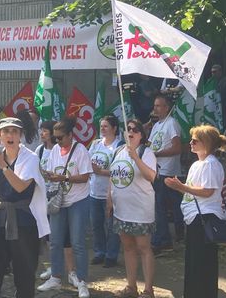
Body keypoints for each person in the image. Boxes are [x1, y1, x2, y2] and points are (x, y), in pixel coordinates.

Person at [0, 117, 50, 298]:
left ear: (20, 135)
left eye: (14, 132)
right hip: (0, 221)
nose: (10, 135)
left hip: (24, 222)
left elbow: (20, 187)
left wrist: (3, 165)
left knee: (24, 278)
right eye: (6, 131)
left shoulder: (30, 157)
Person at [165, 125, 226, 298]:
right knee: (194, 261)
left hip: (205, 216)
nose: (191, 143)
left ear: (206, 143)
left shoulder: (210, 164)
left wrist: (181, 186)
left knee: (202, 262)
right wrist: (178, 187)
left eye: (195, 140)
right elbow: (192, 190)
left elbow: (207, 191)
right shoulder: (197, 164)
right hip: (194, 216)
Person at [38, 118, 92, 297]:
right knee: (55, 241)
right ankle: (55, 277)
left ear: (71, 135)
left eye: (61, 138)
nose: (57, 141)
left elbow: (85, 177)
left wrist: (64, 179)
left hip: (78, 201)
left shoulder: (81, 150)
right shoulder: (54, 150)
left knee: (77, 243)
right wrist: (49, 175)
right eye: (56, 138)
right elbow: (54, 172)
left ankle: (82, 281)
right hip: (59, 201)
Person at [108, 119, 157, 298]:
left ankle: (148, 290)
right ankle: (131, 286)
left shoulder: (146, 152)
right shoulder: (119, 151)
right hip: (122, 208)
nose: (130, 132)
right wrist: (109, 198)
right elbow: (112, 176)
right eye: (127, 129)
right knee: (128, 247)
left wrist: (136, 157)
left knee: (143, 247)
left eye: (135, 130)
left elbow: (152, 176)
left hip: (141, 208)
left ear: (141, 135)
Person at [146, 94, 184, 252]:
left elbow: (177, 148)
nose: (155, 108)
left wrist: (158, 154)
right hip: (157, 170)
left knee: (160, 207)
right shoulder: (156, 125)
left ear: (166, 107)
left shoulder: (171, 123)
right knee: (166, 206)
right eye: (154, 105)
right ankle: (172, 235)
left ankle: (163, 239)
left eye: (158, 105)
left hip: (167, 171)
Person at [89, 115, 123, 268]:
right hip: (94, 191)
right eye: (101, 126)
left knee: (111, 226)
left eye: (106, 126)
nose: (102, 129)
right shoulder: (96, 144)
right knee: (96, 224)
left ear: (114, 128)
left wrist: (100, 171)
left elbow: (119, 172)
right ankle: (99, 252)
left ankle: (111, 255)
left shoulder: (119, 146)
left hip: (110, 192)